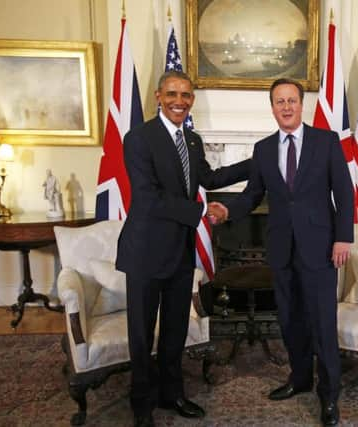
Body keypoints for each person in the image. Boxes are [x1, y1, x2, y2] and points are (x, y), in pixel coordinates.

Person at [209, 78, 354, 426]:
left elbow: (344, 193)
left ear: (302, 105)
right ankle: (300, 379)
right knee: (289, 321)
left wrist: (343, 238)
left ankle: (329, 396)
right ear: (272, 107)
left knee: (322, 322)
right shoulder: (263, 149)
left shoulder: (326, 141)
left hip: (320, 248)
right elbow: (252, 195)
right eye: (279, 101)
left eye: (291, 100)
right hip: (281, 250)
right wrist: (228, 211)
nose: (286, 107)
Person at [115, 70, 250, 427]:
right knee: (142, 333)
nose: (180, 101)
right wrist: (204, 211)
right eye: (172, 94)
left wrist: (258, 163)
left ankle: (172, 394)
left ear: (192, 100)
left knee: (175, 328)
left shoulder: (192, 139)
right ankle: (141, 402)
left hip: (179, 251)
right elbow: (149, 198)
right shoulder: (139, 138)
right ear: (158, 96)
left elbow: (210, 179)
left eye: (186, 95)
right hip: (145, 253)